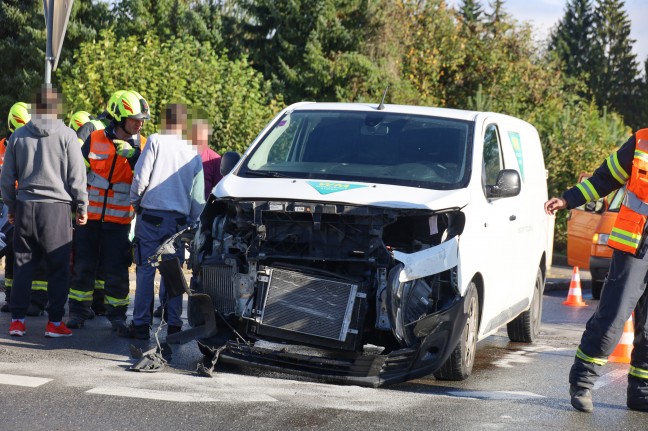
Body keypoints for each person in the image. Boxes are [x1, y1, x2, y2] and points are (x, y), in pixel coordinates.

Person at [545, 127, 648, 413]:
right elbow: (604, 179)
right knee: (612, 319)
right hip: (635, 247)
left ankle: (641, 392)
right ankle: (582, 383)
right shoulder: (642, 141)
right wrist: (568, 199)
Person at [0, 85, 88, 337]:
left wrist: (13, 207)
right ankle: (55, 323)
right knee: (58, 268)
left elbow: (7, 179)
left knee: (22, 265)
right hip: (57, 210)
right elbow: (77, 177)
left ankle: (17, 321)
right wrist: (81, 206)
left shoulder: (18, 136)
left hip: (26, 207)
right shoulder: (67, 135)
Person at [67, 90, 149, 331]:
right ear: (119, 117)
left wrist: (134, 157)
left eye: (142, 119)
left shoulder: (144, 146)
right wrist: (76, 207)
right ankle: (78, 313)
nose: (139, 123)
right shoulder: (95, 139)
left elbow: (146, 182)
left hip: (120, 222)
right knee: (83, 267)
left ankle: (117, 317)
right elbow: (77, 175)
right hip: (89, 218)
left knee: (116, 272)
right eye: (134, 119)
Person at [122, 103, 205, 339]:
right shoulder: (192, 152)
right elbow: (197, 196)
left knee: (146, 270)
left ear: (164, 120)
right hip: (177, 222)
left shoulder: (156, 141)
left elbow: (141, 177)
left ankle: (140, 326)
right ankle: (175, 325)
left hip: (151, 216)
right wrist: (191, 220)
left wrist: (136, 202)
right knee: (172, 273)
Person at [152, 117, 220, 319]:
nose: (198, 139)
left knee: (180, 265)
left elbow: (216, 193)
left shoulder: (214, 160)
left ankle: (178, 311)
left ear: (207, 137)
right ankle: (165, 307)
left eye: (202, 136)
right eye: (195, 135)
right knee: (169, 262)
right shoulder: (182, 154)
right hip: (179, 214)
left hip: (199, 219)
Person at [0, 102, 49, 316]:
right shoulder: (5, 145)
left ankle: (36, 300)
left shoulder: (34, 144)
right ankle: (12, 297)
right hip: (12, 204)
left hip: (25, 203)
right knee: (13, 253)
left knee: (32, 251)